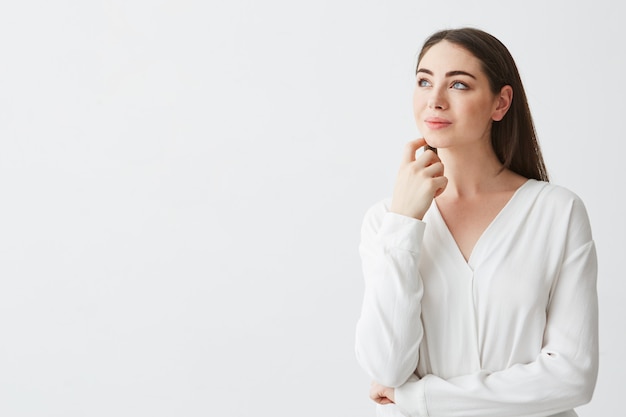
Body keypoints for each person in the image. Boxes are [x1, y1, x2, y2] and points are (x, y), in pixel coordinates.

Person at [354, 27, 598, 417]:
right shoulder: (385, 221)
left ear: (500, 103)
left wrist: (422, 399)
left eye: (459, 85)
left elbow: (573, 377)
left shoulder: (557, 212)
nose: (434, 100)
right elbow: (386, 367)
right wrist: (404, 222)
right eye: (423, 81)